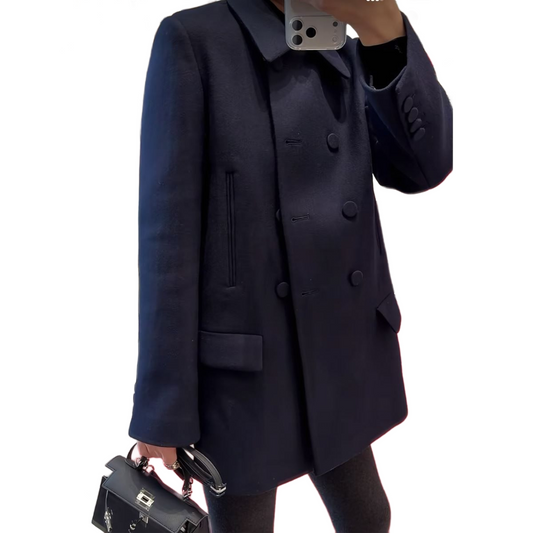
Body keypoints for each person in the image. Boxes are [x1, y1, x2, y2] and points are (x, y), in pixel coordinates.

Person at [129, 0, 452, 531]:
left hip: (338, 348)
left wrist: (384, 30)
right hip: (246, 370)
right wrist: (163, 409)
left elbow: (425, 166)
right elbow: (168, 242)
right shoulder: (194, 40)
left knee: (369, 516)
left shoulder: (342, 40)